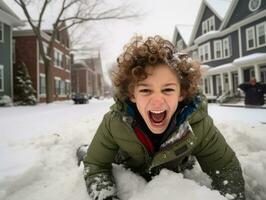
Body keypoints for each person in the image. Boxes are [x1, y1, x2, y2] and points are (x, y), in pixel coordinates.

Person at [80, 35, 245, 200]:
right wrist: (106, 197)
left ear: (181, 93)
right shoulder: (114, 123)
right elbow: (96, 165)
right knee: (90, 154)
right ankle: (84, 149)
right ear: (132, 95)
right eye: (145, 90)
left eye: (167, 90)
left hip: (177, 163)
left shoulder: (199, 125)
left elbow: (226, 168)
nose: (158, 102)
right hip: (125, 159)